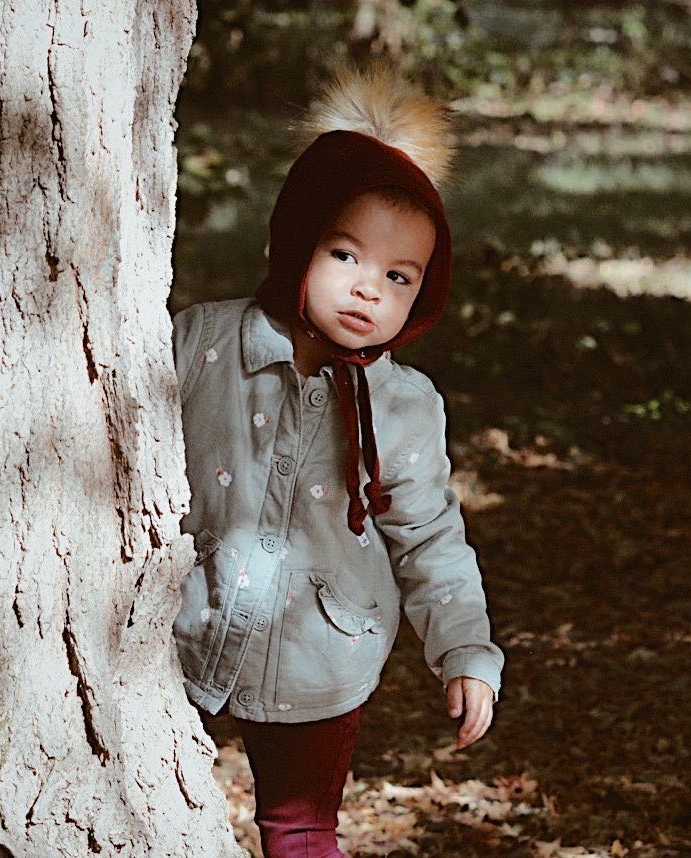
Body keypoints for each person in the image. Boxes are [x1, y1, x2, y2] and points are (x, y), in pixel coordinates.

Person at [170, 60, 504, 858]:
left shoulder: (405, 407)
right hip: (178, 625)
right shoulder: (202, 344)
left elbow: (430, 538)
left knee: (300, 831)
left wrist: (464, 649)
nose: (367, 291)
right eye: (345, 255)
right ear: (297, 241)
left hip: (322, 653)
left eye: (398, 276)